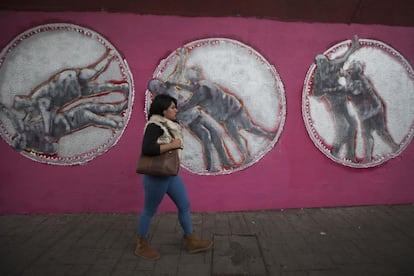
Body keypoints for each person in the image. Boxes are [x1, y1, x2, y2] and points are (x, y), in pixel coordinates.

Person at [135, 94, 213, 260]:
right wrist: (172, 145)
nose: (176, 110)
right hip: (156, 176)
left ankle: (191, 240)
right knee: (149, 210)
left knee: (184, 204)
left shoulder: (169, 124)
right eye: (172, 107)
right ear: (163, 110)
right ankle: (142, 245)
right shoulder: (154, 125)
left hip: (170, 174)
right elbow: (147, 148)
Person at [313, 35, 360, 161]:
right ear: (317, 64)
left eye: (323, 61)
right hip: (335, 104)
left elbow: (345, 57)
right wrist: (328, 90)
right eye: (319, 62)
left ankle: (350, 153)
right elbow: (316, 93)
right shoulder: (318, 76)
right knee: (343, 127)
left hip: (343, 101)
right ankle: (336, 150)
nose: (322, 63)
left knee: (353, 125)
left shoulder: (334, 66)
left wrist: (354, 46)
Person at [344, 61, 399, 161]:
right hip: (364, 113)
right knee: (366, 134)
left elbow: (357, 92)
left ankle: (394, 147)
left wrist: (349, 88)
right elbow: (349, 94)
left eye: (353, 71)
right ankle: (368, 158)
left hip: (374, 110)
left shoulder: (361, 81)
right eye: (351, 71)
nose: (351, 72)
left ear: (356, 72)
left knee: (380, 131)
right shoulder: (350, 80)